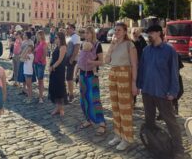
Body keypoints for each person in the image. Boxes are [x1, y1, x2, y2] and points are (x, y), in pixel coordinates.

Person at [137, 24, 185, 154]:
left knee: (171, 122)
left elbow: (174, 73)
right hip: (147, 92)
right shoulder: (146, 50)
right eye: (147, 34)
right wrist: (139, 86)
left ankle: (178, 149)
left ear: (158, 33)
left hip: (163, 93)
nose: (148, 36)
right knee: (149, 120)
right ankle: (153, 143)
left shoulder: (170, 51)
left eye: (150, 33)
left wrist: (173, 92)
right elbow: (142, 70)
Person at [104, 22, 138, 150]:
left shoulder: (130, 45)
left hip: (125, 75)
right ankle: (118, 134)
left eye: (119, 30)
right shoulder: (114, 44)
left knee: (125, 107)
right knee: (115, 106)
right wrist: (112, 46)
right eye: (115, 30)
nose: (116, 32)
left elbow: (135, 65)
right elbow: (106, 61)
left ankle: (127, 138)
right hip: (113, 74)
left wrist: (134, 83)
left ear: (125, 31)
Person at [76, 27, 107, 135]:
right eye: (85, 33)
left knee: (94, 99)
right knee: (83, 99)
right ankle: (87, 119)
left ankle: (101, 123)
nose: (86, 35)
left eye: (88, 33)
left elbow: (101, 62)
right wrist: (76, 72)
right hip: (82, 75)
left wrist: (91, 62)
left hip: (92, 76)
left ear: (92, 33)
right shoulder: (82, 44)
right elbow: (80, 58)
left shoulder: (98, 45)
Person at [48, 32, 68, 117]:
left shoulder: (63, 47)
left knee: (60, 88)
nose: (55, 39)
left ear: (60, 38)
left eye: (56, 37)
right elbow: (53, 58)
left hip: (59, 70)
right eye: (55, 38)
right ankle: (57, 108)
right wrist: (50, 66)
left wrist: (52, 67)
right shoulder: (57, 46)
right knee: (55, 88)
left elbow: (60, 60)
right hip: (54, 70)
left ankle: (61, 108)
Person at [31, 31, 48, 103]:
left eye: (37, 35)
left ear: (41, 35)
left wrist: (40, 60)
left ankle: (41, 97)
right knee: (39, 80)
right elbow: (34, 52)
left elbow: (45, 54)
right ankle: (40, 95)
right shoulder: (37, 43)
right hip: (36, 63)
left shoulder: (44, 43)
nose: (36, 36)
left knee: (40, 80)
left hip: (40, 64)